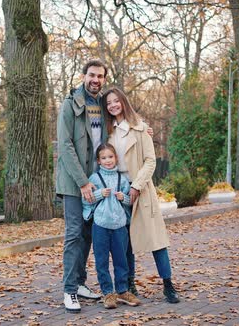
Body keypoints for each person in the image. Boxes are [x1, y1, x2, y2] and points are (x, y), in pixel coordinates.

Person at [101, 87, 181, 304]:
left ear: (123, 102)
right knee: (125, 242)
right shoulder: (108, 131)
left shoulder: (140, 128)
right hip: (118, 190)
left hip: (141, 189)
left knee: (156, 241)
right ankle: (129, 284)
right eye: (109, 103)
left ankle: (168, 285)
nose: (113, 105)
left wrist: (136, 186)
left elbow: (151, 160)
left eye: (116, 101)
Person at [56, 59, 109, 313]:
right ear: (83, 76)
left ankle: (79, 283)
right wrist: (83, 182)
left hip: (95, 182)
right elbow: (65, 146)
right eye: (91, 75)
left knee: (87, 234)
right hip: (73, 182)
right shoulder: (70, 104)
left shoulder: (103, 105)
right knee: (74, 233)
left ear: (104, 79)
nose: (95, 79)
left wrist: (145, 130)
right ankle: (68, 291)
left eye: (100, 76)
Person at [82, 143, 141, 309]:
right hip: (100, 225)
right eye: (104, 158)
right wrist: (99, 194)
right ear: (99, 161)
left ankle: (122, 290)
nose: (108, 160)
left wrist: (124, 198)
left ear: (115, 158)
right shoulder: (94, 179)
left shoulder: (122, 179)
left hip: (119, 226)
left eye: (110, 157)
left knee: (121, 260)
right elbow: (86, 200)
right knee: (101, 261)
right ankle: (108, 293)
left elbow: (131, 202)